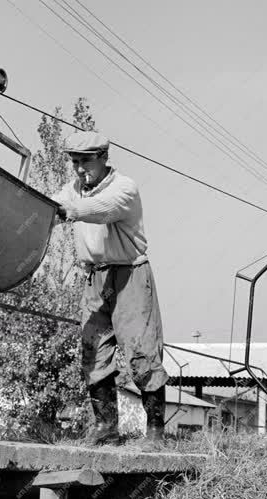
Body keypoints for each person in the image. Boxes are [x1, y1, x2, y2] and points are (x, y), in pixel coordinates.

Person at [51, 131, 169, 447]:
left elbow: (100, 209)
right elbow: (53, 205)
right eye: (74, 162)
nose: (78, 169)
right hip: (95, 277)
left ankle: (155, 431)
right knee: (93, 352)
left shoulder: (123, 189)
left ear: (103, 158)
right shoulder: (72, 190)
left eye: (85, 161)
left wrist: (68, 209)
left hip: (129, 273)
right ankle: (105, 427)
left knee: (141, 352)